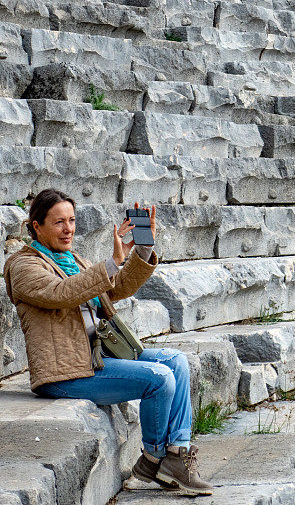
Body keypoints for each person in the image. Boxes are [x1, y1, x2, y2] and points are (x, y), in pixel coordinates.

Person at [2, 188, 213, 496]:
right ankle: (153, 458)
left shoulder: (73, 259)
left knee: (175, 362)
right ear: (37, 225)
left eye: (72, 220)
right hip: (64, 373)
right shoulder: (23, 266)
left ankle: (176, 454)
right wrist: (112, 261)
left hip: (96, 358)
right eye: (59, 222)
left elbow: (113, 289)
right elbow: (62, 293)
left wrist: (138, 251)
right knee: (159, 378)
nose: (68, 229)